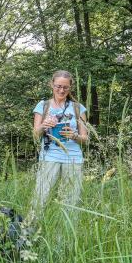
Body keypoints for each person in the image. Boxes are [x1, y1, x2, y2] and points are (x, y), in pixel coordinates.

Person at [31, 70, 88, 215]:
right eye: (58, 86)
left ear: (70, 88)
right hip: (49, 156)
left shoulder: (78, 108)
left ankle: (66, 236)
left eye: (65, 87)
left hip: (73, 158)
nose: (61, 90)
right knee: (40, 198)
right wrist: (44, 126)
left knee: (70, 203)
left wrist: (74, 136)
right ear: (51, 84)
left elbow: (85, 138)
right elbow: (35, 135)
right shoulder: (43, 106)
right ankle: (28, 234)